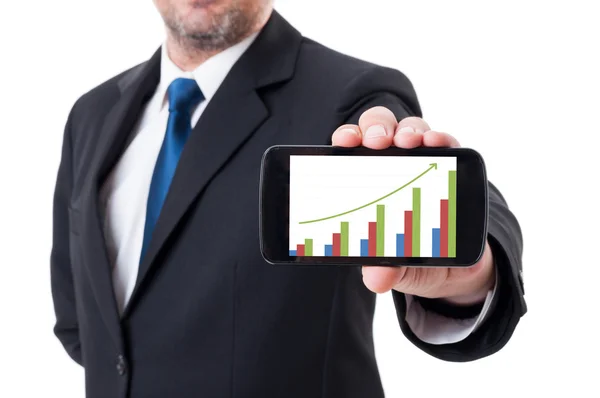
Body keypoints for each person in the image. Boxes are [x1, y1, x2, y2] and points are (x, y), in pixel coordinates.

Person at [50, 1, 526, 397]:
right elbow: (84, 327)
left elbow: (469, 203)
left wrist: (470, 277)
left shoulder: (349, 93)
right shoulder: (93, 114)